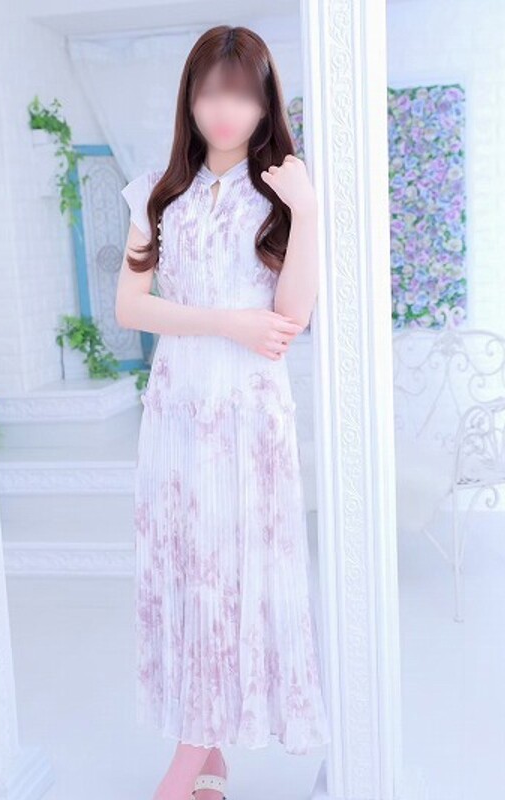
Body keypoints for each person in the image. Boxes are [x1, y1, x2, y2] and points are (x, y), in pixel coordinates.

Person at [116, 24, 331, 800]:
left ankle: (188, 760)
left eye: (241, 93)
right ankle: (207, 757)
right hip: (177, 411)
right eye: (210, 91)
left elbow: (293, 315)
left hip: (249, 417)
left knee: (232, 574)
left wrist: (308, 212)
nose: (224, 109)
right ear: (190, 98)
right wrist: (225, 322)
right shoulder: (156, 192)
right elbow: (131, 307)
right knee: (184, 572)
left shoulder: (279, 196)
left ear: (265, 103)